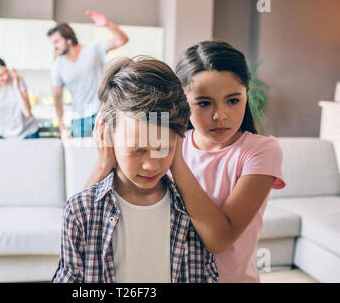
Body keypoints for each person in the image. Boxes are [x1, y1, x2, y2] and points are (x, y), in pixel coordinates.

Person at [86, 41, 286, 283]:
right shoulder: (161, 142)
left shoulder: (260, 151)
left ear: (246, 93)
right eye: (203, 103)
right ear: (183, 101)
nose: (220, 115)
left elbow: (218, 240)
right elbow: (85, 225)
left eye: (233, 100)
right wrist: (103, 162)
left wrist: (176, 161)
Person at [52, 57, 218, 283]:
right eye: (137, 150)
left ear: (178, 141)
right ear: (107, 135)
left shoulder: (191, 211)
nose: (151, 165)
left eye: (162, 149)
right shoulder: (79, 211)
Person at [47, 10, 129, 140]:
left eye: (56, 41)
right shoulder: (57, 66)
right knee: (82, 158)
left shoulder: (93, 49)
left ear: (68, 39)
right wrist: (62, 126)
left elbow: (122, 39)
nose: (54, 46)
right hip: (79, 119)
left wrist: (107, 24)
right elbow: (57, 98)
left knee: (110, 154)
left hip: (103, 113)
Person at [0, 55, 40, 140]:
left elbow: (27, 112)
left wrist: (16, 87)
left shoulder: (17, 80)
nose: (6, 76)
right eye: (1, 75)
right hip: (5, 135)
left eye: (6, 71)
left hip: (28, 133)